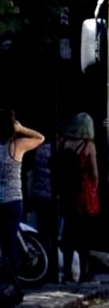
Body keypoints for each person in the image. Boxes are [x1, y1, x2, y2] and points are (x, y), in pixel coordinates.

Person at [0, 109, 44, 283]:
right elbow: (40, 138)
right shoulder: (16, 147)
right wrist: (21, 128)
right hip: (13, 202)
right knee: (10, 245)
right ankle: (13, 284)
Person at [58, 113, 99, 284]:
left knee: (68, 234)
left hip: (67, 194)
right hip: (84, 194)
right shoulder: (89, 146)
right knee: (84, 237)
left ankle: (67, 273)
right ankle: (84, 274)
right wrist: (93, 190)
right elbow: (94, 173)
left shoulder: (62, 143)